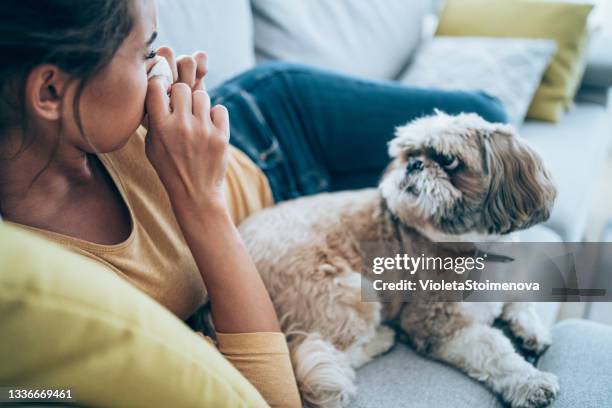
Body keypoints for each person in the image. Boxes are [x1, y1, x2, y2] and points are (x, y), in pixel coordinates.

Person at [0, 0, 507, 406]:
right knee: (477, 258)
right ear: (50, 91)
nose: (164, 70)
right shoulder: (47, 284)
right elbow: (272, 399)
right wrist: (199, 200)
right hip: (297, 231)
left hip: (275, 120)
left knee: (488, 124)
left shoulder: (94, 131)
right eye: (145, 54)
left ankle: (573, 284)